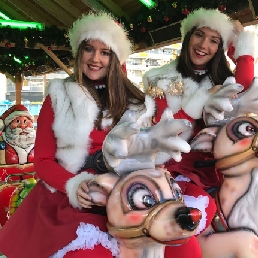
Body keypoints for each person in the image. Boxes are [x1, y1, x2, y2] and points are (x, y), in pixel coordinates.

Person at [0, 12, 214, 258]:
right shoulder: (58, 96)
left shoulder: (138, 102)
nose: (95, 59)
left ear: (115, 58)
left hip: (129, 193)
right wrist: (73, 185)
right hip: (75, 195)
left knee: (184, 248)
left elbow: (145, 150)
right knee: (87, 252)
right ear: (79, 52)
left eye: (105, 52)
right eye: (89, 49)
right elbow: (43, 160)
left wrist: (154, 163)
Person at [142, 8, 258, 190]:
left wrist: (242, 43)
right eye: (199, 35)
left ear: (219, 48)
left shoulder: (222, 79)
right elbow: (164, 130)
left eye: (214, 41)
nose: (203, 45)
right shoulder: (159, 78)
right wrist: (205, 97)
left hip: (219, 166)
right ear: (188, 37)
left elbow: (246, 92)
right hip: (174, 167)